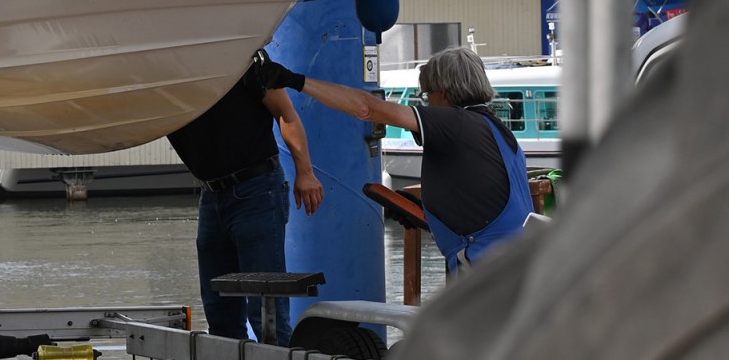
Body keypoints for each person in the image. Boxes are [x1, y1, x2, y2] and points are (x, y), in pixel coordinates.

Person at [252, 47, 531, 274]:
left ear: (443, 92)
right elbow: (483, 195)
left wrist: (295, 81)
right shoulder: (496, 128)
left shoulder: (454, 122)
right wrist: (426, 207)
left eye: (426, 95)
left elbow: (367, 109)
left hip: (490, 270)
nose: (427, 102)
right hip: (520, 261)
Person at [166, 61, 324, 346]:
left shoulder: (241, 62)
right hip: (212, 194)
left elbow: (285, 112)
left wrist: (306, 172)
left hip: (257, 187)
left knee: (267, 312)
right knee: (219, 311)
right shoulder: (159, 80)